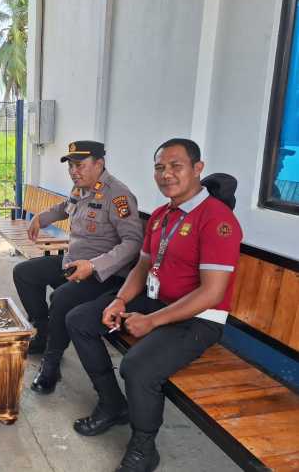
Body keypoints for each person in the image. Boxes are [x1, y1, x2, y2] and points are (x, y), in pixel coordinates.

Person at [66, 138, 243, 472]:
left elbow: (212, 294)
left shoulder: (217, 220)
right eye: (160, 167)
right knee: (80, 320)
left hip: (198, 319)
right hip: (155, 300)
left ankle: (144, 448)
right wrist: (119, 300)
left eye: (176, 166)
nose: (166, 174)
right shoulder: (162, 214)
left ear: (198, 169)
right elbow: (143, 266)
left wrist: (153, 321)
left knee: (137, 367)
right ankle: (111, 404)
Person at [12, 141, 143, 394]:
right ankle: (44, 331)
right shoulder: (80, 188)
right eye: (71, 166)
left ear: (99, 164)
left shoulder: (118, 196)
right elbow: (65, 207)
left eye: (80, 165)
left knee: (60, 298)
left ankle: (52, 361)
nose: (74, 171)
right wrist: (41, 218)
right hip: (72, 264)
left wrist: (93, 265)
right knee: (24, 273)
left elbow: (133, 243)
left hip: (103, 275)